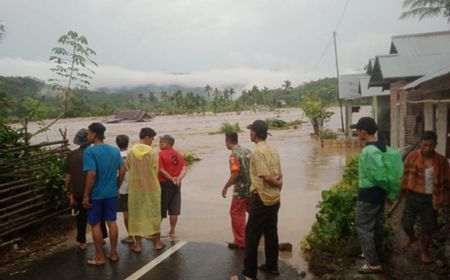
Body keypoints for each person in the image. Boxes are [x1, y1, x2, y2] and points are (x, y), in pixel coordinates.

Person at [241, 120, 283, 280]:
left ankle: (249, 274)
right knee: (271, 232)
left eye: (251, 131)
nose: (249, 133)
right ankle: (272, 266)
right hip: (275, 198)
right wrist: (279, 186)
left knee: (251, 234)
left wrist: (276, 183)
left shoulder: (258, 152)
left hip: (262, 198)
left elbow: (266, 176)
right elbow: (280, 174)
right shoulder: (273, 149)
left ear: (254, 134)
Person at [401, 131, 450, 263]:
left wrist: (444, 198)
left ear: (436, 145)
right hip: (413, 196)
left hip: (430, 199)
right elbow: (405, 176)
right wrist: (400, 194)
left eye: (431, 145)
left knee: (428, 228)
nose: (427, 148)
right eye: (424, 145)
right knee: (406, 224)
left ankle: (424, 251)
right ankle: (412, 238)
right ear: (420, 144)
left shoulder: (442, 160)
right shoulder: (412, 156)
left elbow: (447, 180)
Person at [82, 123, 125, 266]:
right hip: (111, 194)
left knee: (95, 224)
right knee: (111, 222)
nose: (88, 136)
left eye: (88, 133)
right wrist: (116, 188)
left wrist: (86, 195)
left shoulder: (90, 152)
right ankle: (113, 253)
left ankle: (99, 257)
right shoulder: (114, 150)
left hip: (95, 195)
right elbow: (122, 171)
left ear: (94, 134)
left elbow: (92, 173)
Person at [352, 117, 386, 274]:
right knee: (376, 225)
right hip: (379, 193)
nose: (356, 133)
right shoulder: (382, 146)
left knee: (363, 227)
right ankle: (374, 253)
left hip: (368, 194)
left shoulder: (369, 151)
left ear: (363, 132)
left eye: (357, 130)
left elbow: (378, 175)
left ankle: (373, 263)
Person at [63, 128, 108, 250]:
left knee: (81, 216)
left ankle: (82, 241)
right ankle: (102, 237)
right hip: (95, 189)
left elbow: (68, 175)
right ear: (89, 140)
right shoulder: (95, 153)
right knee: (99, 215)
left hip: (78, 190)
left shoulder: (72, 155)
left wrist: (67, 189)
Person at [127, 127, 164, 252]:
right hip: (152, 187)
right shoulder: (153, 153)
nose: (152, 141)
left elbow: (128, 167)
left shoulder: (131, 152)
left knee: (136, 215)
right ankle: (158, 242)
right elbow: (156, 169)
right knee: (154, 213)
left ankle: (137, 245)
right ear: (146, 137)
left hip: (136, 189)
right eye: (152, 138)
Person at [221, 132, 252, 250]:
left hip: (240, 190)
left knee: (236, 213)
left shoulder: (233, 155)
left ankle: (240, 241)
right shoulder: (248, 151)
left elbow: (235, 174)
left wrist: (226, 187)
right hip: (252, 188)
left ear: (228, 141)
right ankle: (258, 236)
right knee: (252, 211)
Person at [158, 134, 186, 240]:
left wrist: (171, 178)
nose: (159, 143)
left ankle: (155, 233)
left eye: (162, 141)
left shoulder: (160, 154)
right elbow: (184, 167)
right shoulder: (178, 154)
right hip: (176, 184)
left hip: (164, 183)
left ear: (168, 144)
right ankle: (172, 231)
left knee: (160, 208)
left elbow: (161, 170)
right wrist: (178, 178)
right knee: (174, 209)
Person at [115, 134, 133, 244]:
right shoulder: (133, 154)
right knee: (135, 211)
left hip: (122, 187)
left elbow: (117, 172)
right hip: (135, 186)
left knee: (126, 211)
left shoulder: (115, 155)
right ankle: (139, 234)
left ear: (117, 143)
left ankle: (131, 235)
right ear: (128, 142)